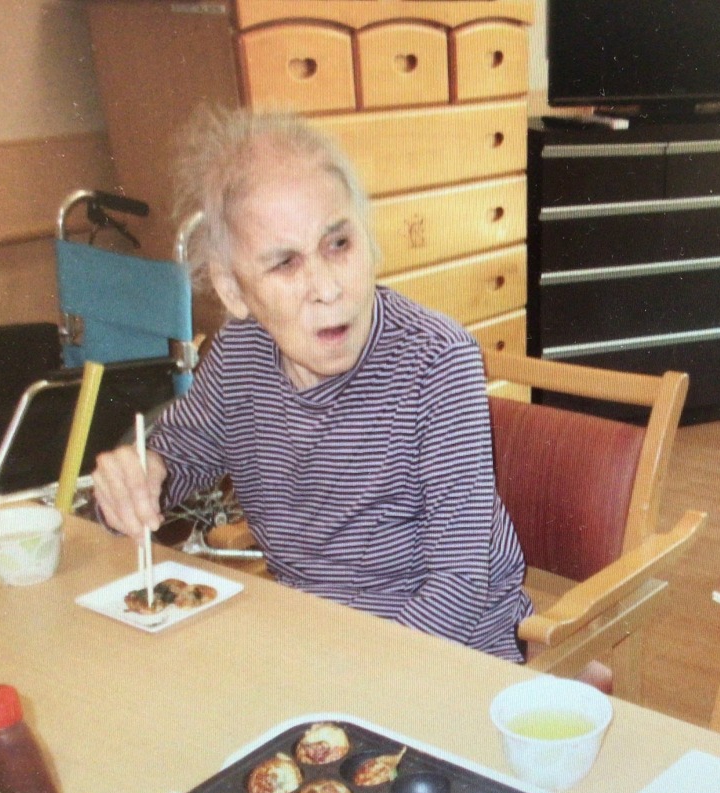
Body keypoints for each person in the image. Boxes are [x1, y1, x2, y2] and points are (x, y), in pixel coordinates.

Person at [93, 108, 531, 663]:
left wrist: (346, 677)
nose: (326, 288)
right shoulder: (236, 358)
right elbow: (174, 463)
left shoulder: (437, 363)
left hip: (447, 655)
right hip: (314, 640)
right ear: (233, 292)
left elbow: (459, 586)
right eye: (285, 264)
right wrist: (137, 477)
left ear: (367, 241)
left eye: (339, 244)